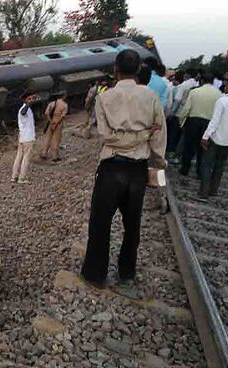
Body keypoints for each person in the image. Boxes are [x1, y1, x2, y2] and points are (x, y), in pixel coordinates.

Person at [80, 49, 167, 290]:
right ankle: (126, 273)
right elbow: (159, 134)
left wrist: (125, 139)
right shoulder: (151, 97)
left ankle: (95, 274)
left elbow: (106, 136)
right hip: (137, 171)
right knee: (132, 225)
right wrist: (157, 160)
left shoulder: (104, 98)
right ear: (139, 70)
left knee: (100, 224)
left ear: (115, 70)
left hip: (111, 167)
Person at [177, 73, 223, 176]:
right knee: (203, 149)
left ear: (201, 81)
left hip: (193, 121)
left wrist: (181, 121)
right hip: (208, 123)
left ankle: (185, 169)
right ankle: (200, 172)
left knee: (189, 147)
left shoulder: (194, 92)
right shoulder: (219, 94)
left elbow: (186, 109)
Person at [12, 95, 37, 184]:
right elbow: (23, 112)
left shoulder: (27, 109)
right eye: (30, 98)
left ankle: (14, 176)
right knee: (26, 158)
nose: (32, 100)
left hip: (22, 137)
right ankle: (22, 178)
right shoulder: (24, 109)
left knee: (18, 157)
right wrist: (28, 104)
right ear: (26, 100)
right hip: (28, 138)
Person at [41, 91, 69, 161]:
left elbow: (46, 113)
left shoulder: (52, 103)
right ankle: (55, 156)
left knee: (47, 138)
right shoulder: (64, 105)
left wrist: (51, 121)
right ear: (63, 96)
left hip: (51, 122)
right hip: (58, 123)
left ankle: (44, 153)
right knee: (56, 139)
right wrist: (56, 124)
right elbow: (62, 116)